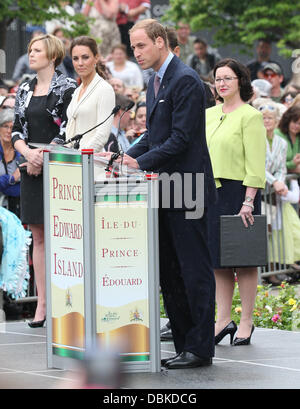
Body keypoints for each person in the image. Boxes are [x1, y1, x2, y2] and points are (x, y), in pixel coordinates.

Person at [100, 19, 217, 369]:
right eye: (133, 47)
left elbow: (180, 140)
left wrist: (138, 163)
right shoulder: (156, 81)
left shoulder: (185, 80)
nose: (136, 53)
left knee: (193, 270)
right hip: (164, 188)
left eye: (140, 46)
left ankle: (200, 347)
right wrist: (124, 156)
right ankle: (185, 345)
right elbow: (153, 135)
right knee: (170, 270)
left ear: (161, 42)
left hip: (190, 189)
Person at [11, 34, 77, 327]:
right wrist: (29, 154)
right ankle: (42, 304)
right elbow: (15, 131)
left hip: (60, 166)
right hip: (30, 166)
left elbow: (69, 129)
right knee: (38, 236)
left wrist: (44, 156)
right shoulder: (24, 89)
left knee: (62, 236)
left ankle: (68, 303)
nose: (31, 54)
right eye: (29, 50)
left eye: (36, 50)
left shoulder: (68, 87)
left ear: (52, 55)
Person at [206, 58, 266, 346]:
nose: (222, 83)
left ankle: (246, 321)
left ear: (240, 81)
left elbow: (256, 163)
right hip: (212, 192)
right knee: (218, 262)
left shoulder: (250, 116)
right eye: (218, 79)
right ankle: (223, 319)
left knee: (243, 261)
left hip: (240, 193)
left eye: (228, 78)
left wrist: (249, 201)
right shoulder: (209, 114)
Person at [258, 102, 300, 281]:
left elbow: (282, 167)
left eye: (270, 118)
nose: (267, 121)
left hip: (274, 193)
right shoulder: (256, 139)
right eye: (264, 118)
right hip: (258, 191)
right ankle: (264, 272)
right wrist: (274, 181)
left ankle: (274, 270)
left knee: (275, 232)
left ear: (276, 121)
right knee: (263, 231)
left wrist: (280, 183)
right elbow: (257, 165)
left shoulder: (281, 142)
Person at [66, 36, 115, 153]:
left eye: (85, 57)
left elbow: (102, 135)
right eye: (75, 58)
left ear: (96, 58)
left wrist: (81, 157)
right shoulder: (77, 91)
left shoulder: (104, 89)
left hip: (91, 163)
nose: (80, 63)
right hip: (72, 162)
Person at [0, 109, 21, 218]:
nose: (9, 131)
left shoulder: (21, 151)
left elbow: (23, 188)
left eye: (12, 127)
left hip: (19, 207)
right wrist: (12, 179)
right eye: (5, 126)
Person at [274, 105, 300, 174]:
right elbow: (273, 165)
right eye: (294, 122)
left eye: (299, 123)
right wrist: (292, 164)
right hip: (278, 180)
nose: (297, 126)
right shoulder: (277, 134)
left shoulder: (298, 136)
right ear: (288, 120)